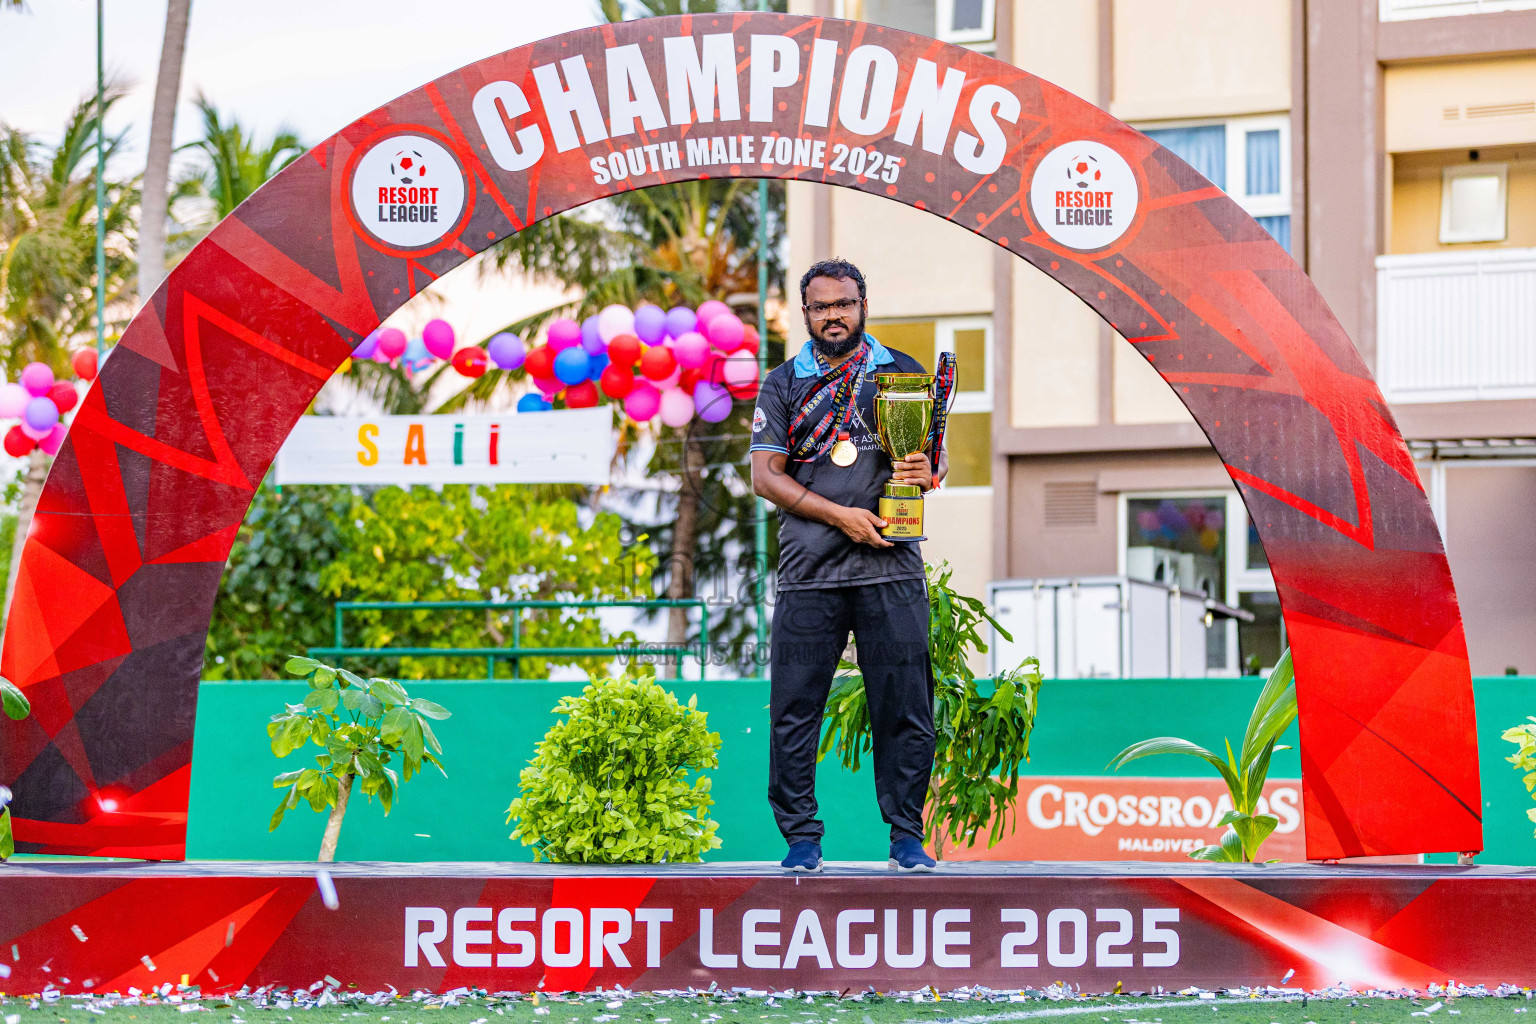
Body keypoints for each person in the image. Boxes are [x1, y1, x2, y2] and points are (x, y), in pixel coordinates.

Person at [749, 258, 947, 873]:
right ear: (805, 312)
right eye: (820, 306)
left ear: (863, 304)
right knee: (794, 708)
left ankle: (906, 838)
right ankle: (802, 839)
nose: (833, 315)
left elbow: (932, 464)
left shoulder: (903, 373)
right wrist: (840, 517)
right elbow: (764, 477)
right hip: (810, 573)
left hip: (891, 567)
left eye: (844, 303)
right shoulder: (782, 384)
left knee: (906, 706)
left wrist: (926, 473)